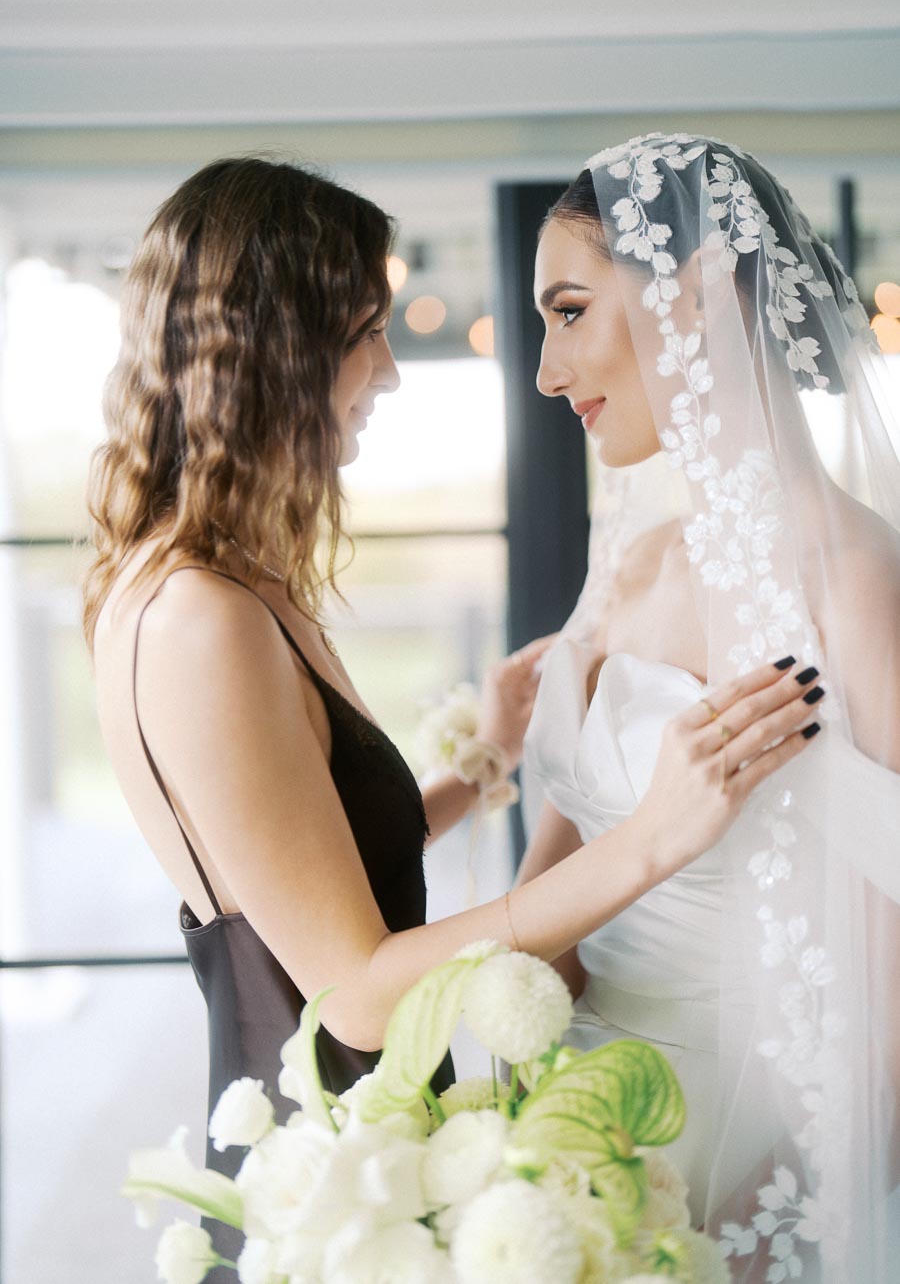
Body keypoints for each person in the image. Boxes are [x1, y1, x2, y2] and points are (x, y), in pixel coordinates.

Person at [83, 155, 822, 1273]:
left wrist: (476, 774)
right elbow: (361, 999)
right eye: (366, 330)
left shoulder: (227, 580)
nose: (387, 372)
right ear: (275, 345)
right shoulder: (199, 617)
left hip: (384, 1154)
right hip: (335, 1193)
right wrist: (654, 837)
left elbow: (300, 873)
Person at [520, 132, 900, 1281]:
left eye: (570, 311)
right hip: (561, 1133)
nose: (547, 370)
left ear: (698, 293)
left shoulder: (850, 578)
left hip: (744, 1151)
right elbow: (553, 884)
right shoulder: (628, 554)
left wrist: (747, 1226)